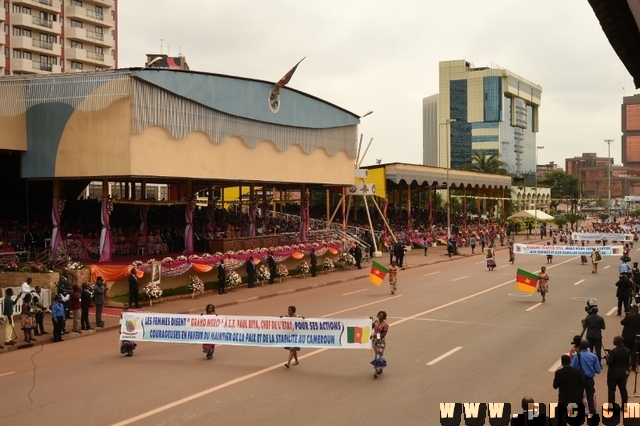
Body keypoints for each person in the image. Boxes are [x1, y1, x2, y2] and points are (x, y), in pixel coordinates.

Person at [570, 340, 601, 418]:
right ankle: (592, 413)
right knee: (590, 398)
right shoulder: (593, 356)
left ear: (580, 347)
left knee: (579, 397)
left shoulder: (577, 356)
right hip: (589, 379)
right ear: (588, 347)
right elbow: (598, 370)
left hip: (579, 379)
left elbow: (572, 367)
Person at [553, 354, 585, 426]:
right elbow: (582, 384)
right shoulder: (577, 372)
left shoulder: (559, 373)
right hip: (574, 399)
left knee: (563, 419)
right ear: (570, 361)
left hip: (564, 400)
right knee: (573, 419)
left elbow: (555, 386)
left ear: (562, 362)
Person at [606, 335, 630, 411]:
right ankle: (624, 406)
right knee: (623, 390)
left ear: (617, 342)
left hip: (613, 374)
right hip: (622, 373)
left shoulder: (614, 351)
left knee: (612, 391)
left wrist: (608, 357)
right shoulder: (627, 351)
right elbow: (627, 362)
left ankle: (611, 406)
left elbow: (610, 363)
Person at [370, 310, 389, 379]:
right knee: (377, 354)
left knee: (379, 354)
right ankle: (380, 367)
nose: (379, 316)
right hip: (375, 341)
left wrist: (375, 335)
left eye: (381, 315)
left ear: (384, 317)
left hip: (381, 342)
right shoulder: (375, 322)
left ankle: (376, 371)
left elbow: (384, 334)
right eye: (379, 315)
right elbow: (369, 327)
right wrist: (369, 321)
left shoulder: (385, 325)